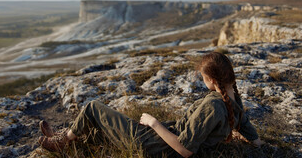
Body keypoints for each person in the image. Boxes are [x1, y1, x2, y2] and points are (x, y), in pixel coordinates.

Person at [38, 52, 264, 157]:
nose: (202, 82)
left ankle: (61, 141)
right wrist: (246, 140)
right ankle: (67, 138)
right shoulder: (234, 97)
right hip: (162, 138)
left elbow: (185, 149)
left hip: (155, 144)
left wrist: (154, 123)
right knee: (102, 130)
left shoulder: (212, 106)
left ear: (213, 81)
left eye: (203, 78)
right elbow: (254, 137)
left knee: (92, 108)